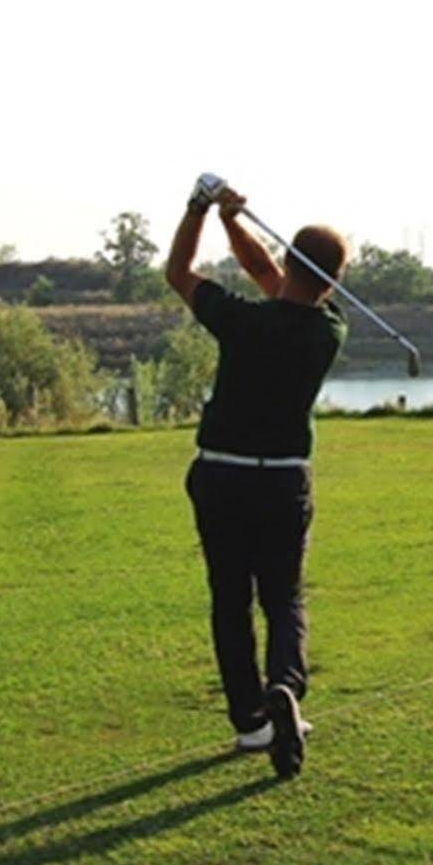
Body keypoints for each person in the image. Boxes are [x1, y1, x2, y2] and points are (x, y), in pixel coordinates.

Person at [164, 178, 350, 779]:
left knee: (230, 601)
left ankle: (252, 722)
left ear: (290, 261)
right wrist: (236, 223)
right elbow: (274, 276)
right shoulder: (329, 330)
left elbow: (179, 271)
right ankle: (285, 686)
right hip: (284, 483)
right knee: (284, 598)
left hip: (222, 475)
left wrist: (205, 210)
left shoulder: (241, 322)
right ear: (333, 282)